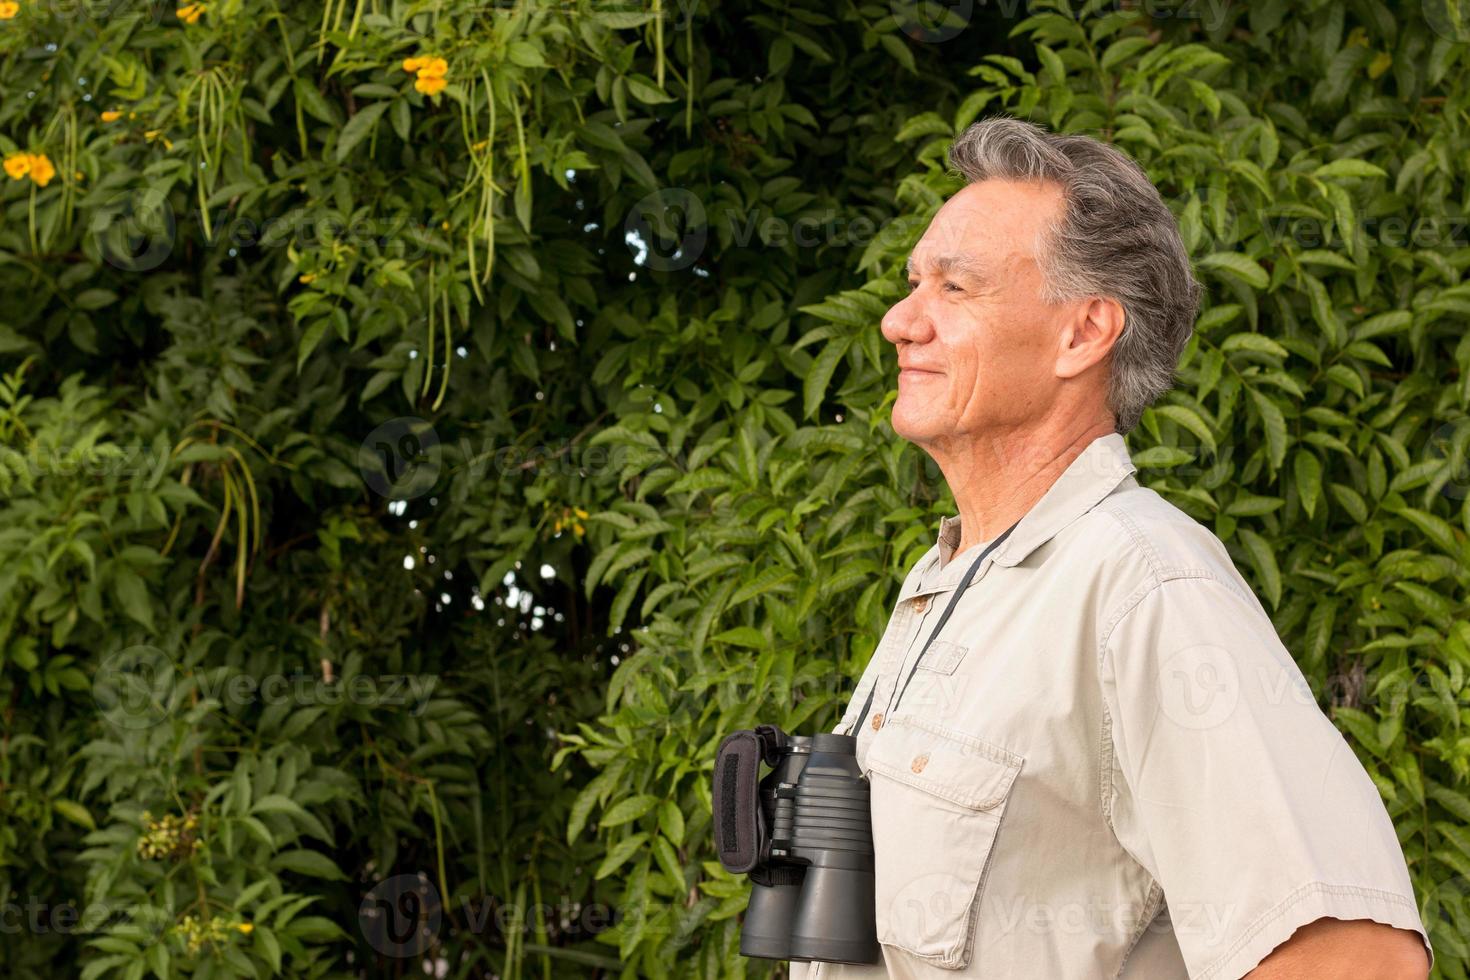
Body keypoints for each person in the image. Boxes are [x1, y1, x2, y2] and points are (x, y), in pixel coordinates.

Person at [794, 117, 1433, 979]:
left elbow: (1355, 960)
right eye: (914, 283)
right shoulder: (952, 580)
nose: (899, 322)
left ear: (1084, 333)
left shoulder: (1144, 584)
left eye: (955, 287)